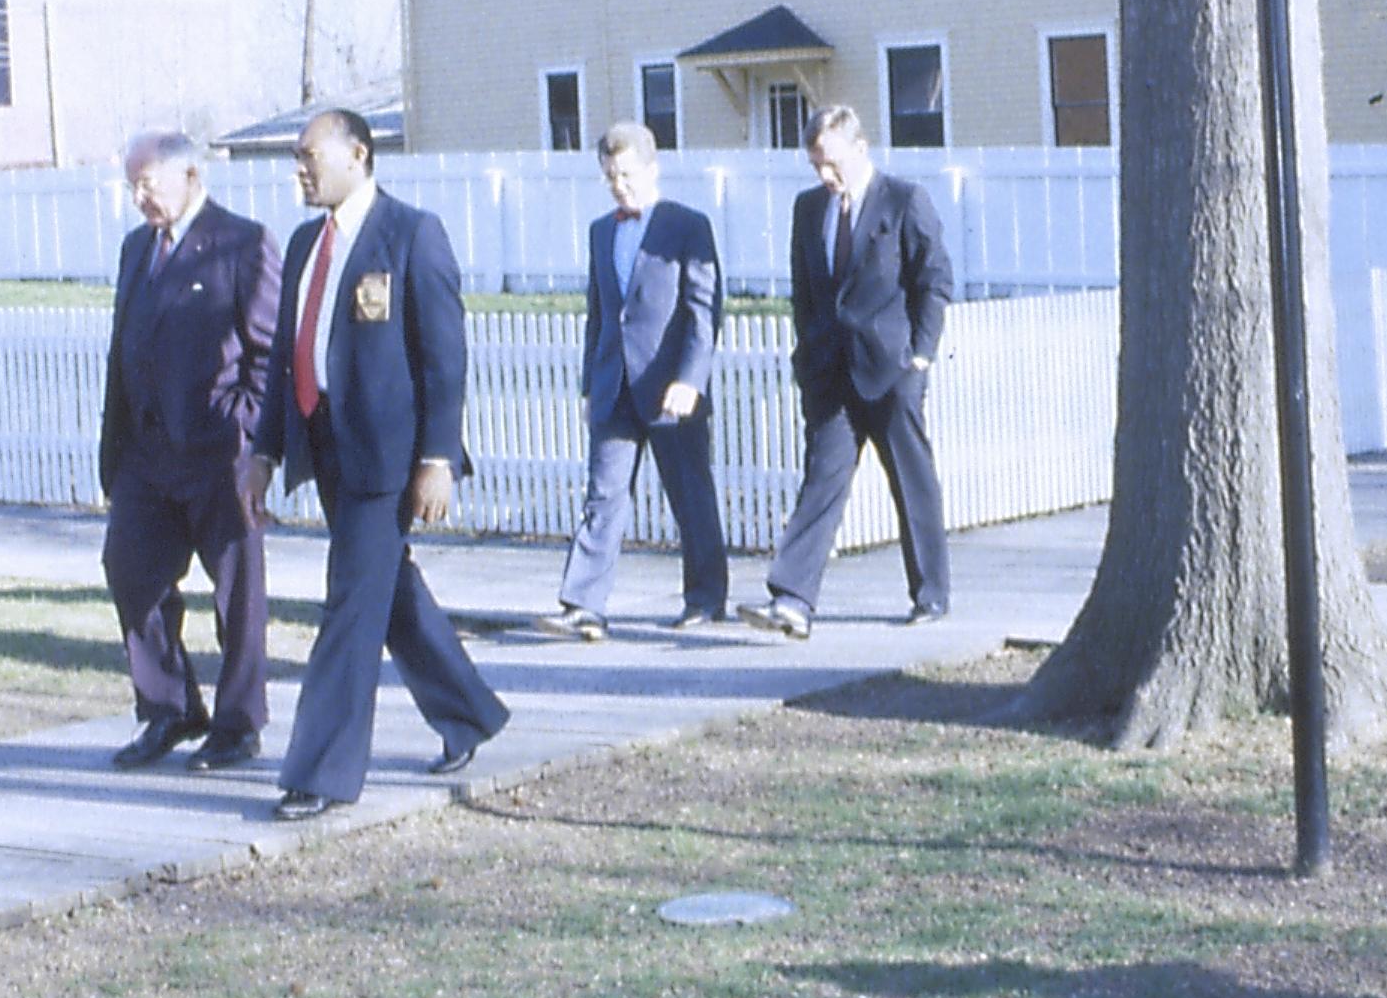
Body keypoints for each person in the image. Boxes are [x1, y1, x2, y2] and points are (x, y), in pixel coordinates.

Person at [240, 108, 510, 821]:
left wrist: (438, 459)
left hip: (390, 458)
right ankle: (467, 713)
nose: (299, 168)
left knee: (349, 607)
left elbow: (445, 361)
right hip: (324, 447)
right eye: (296, 158)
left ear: (357, 154)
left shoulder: (411, 234)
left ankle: (320, 773)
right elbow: (282, 362)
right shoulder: (304, 245)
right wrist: (264, 453)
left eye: (309, 155)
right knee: (388, 594)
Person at [98, 130, 284, 770]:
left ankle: (238, 724)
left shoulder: (241, 242)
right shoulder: (136, 250)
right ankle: (169, 708)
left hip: (219, 451)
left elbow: (270, 352)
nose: (139, 197)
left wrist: (248, 430)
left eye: (149, 183)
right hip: (146, 456)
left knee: (236, 590)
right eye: (133, 186)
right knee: (132, 572)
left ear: (191, 176)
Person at [739, 106, 955, 638]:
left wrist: (921, 357)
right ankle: (791, 598)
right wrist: (806, 352)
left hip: (891, 370)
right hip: (830, 372)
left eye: (832, 164)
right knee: (822, 481)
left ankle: (930, 594)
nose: (825, 177)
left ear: (859, 149)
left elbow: (935, 281)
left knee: (911, 482)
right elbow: (805, 292)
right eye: (816, 166)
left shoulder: (905, 201)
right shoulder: (809, 209)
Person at [533, 123, 730, 641]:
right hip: (613, 383)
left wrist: (691, 379)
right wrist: (589, 384)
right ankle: (584, 606)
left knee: (689, 495)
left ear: (652, 168)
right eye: (609, 176)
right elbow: (599, 313)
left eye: (626, 174)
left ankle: (706, 598)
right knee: (603, 495)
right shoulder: (602, 231)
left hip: (670, 386)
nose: (619, 185)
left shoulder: (686, 225)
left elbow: (703, 313)